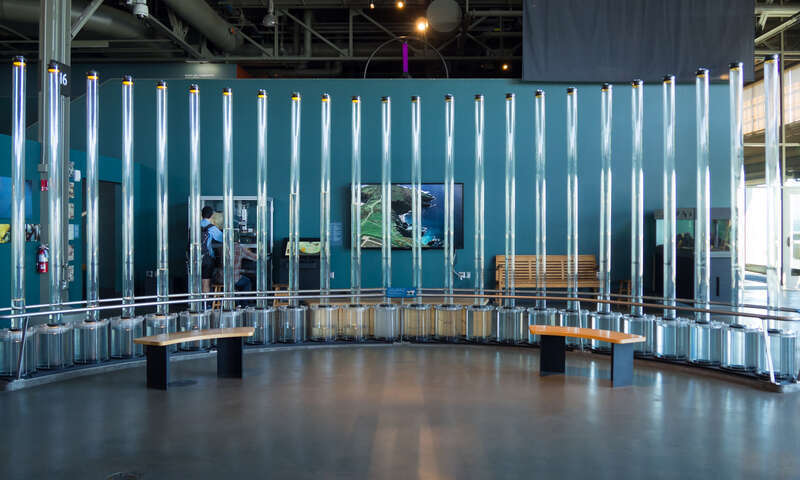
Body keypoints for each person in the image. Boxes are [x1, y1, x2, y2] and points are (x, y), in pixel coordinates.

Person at [201, 206, 223, 294]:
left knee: (195, 281)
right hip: (206, 259)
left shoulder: (194, 226)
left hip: (194, 258)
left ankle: (196, 304)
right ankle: (205, 305)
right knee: (206, 282)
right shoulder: (211, 227)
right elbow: (223, 239)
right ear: (212, 215)